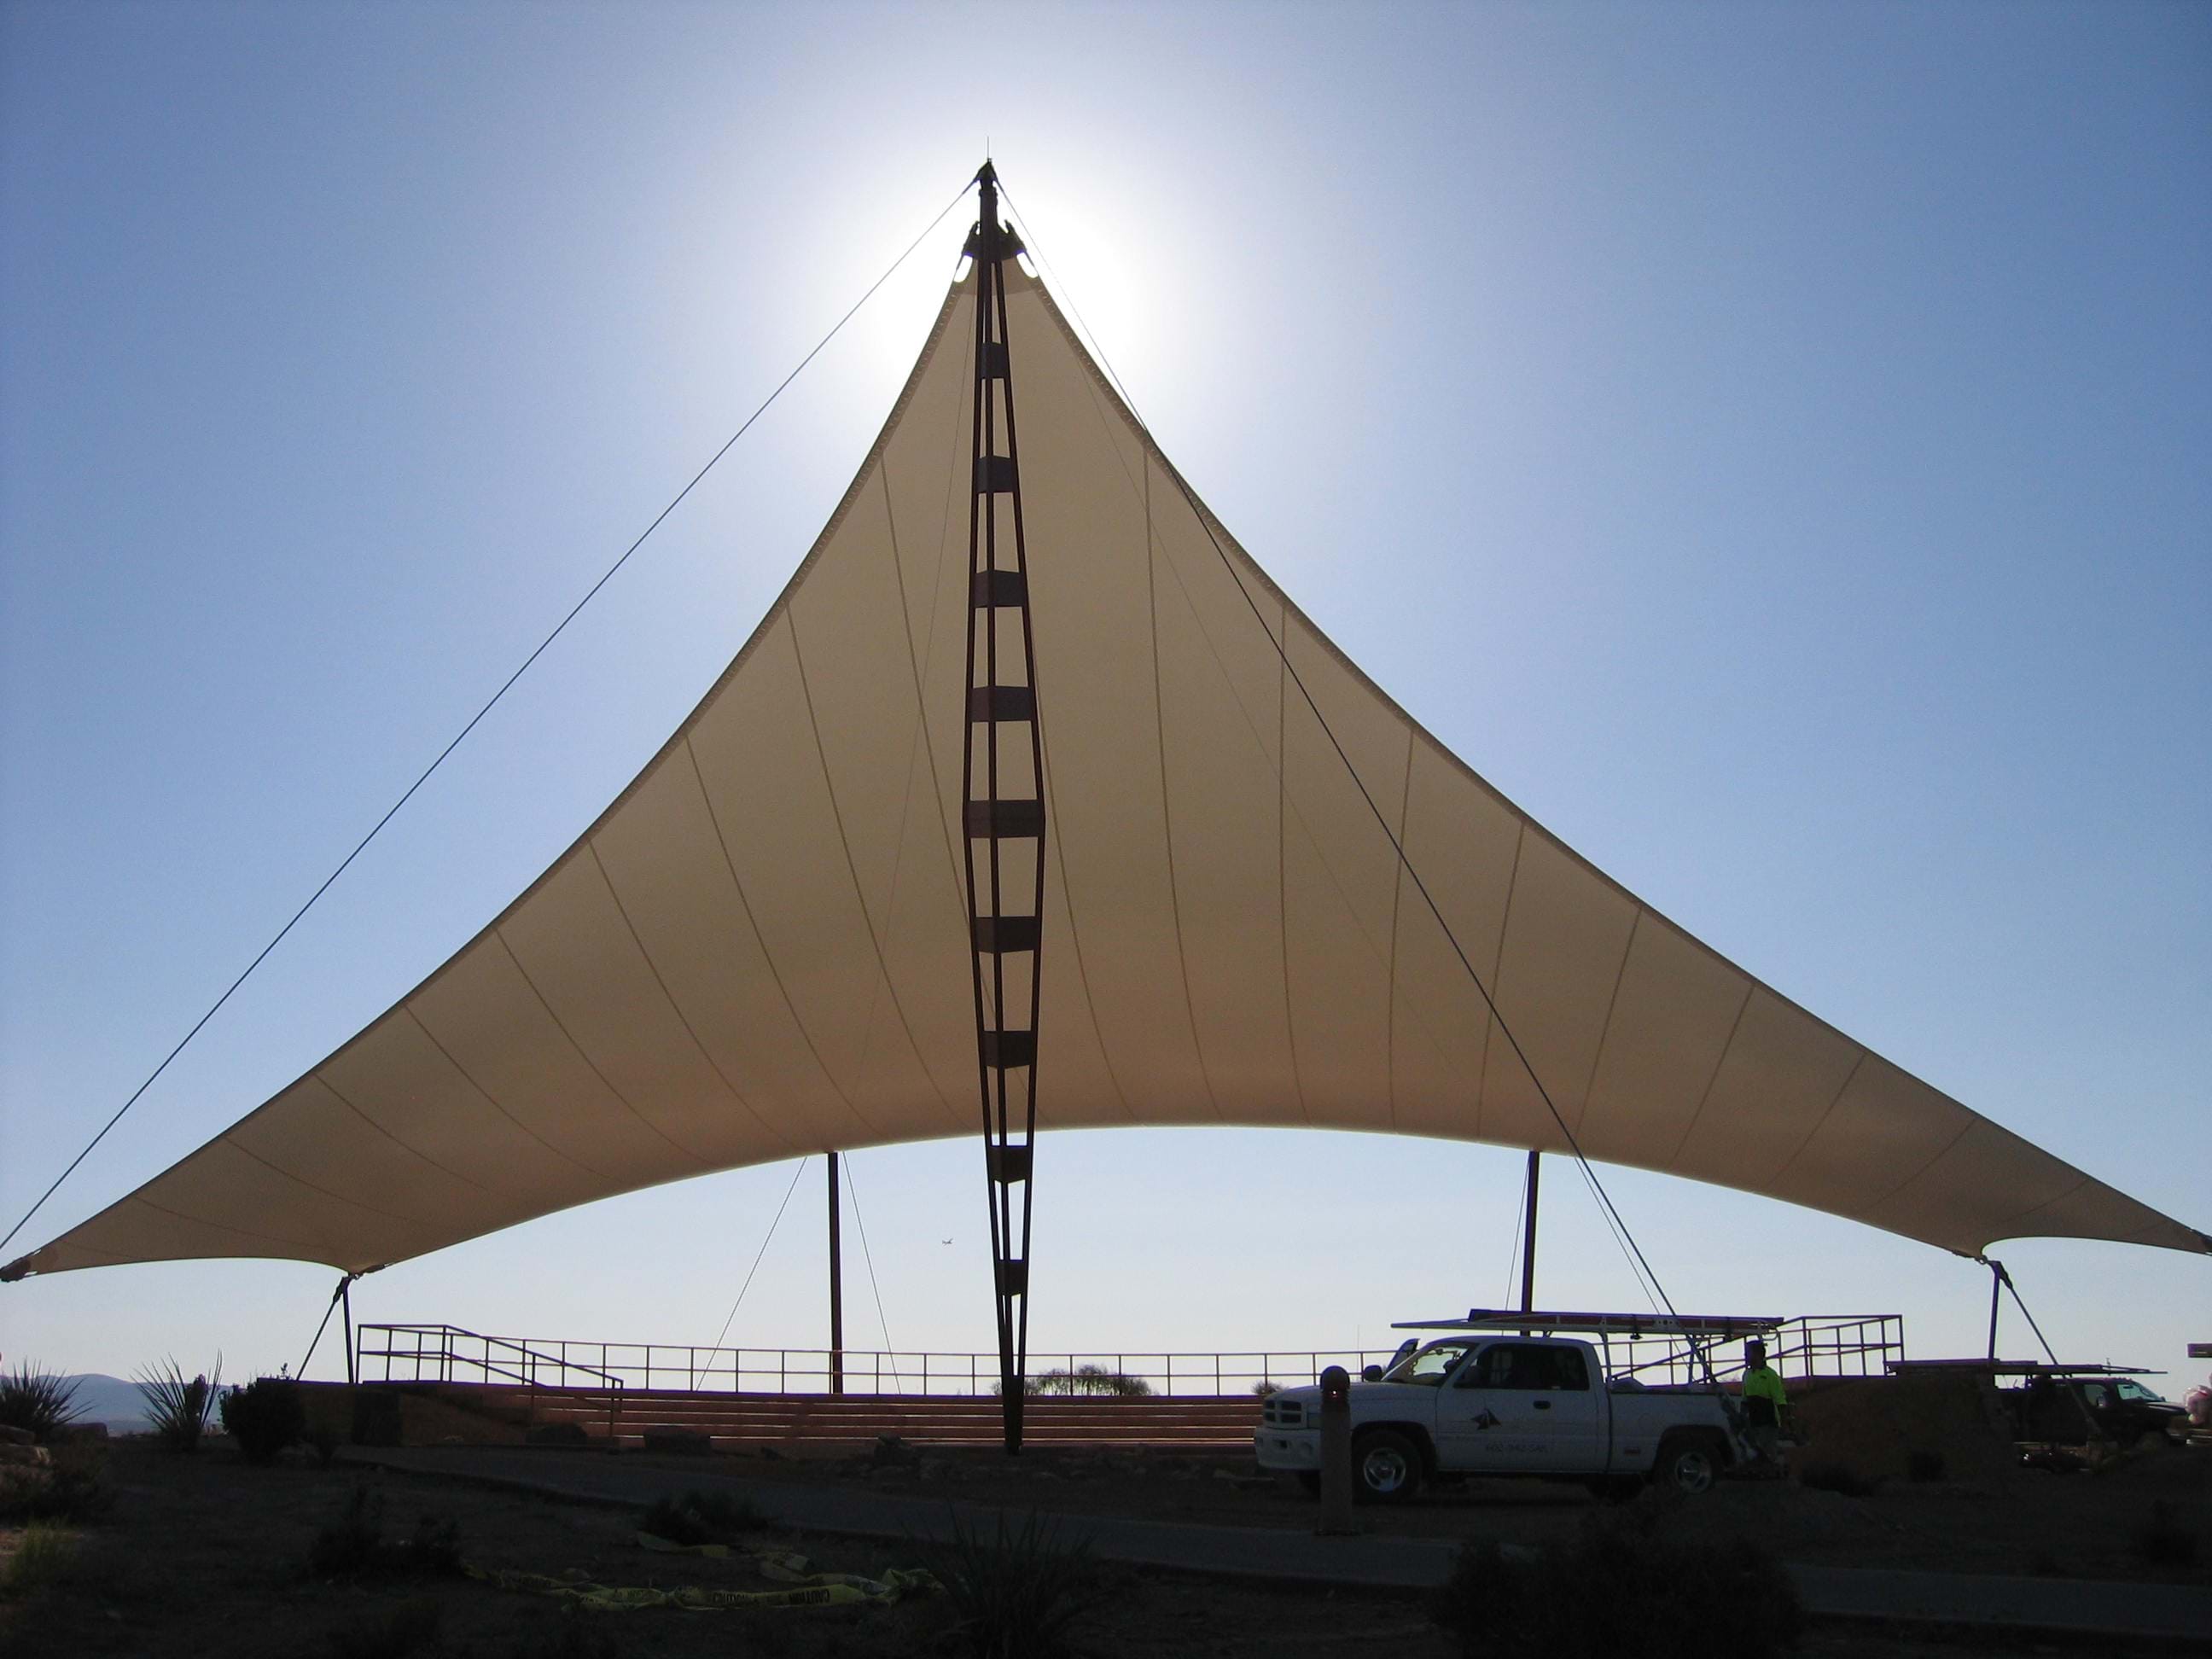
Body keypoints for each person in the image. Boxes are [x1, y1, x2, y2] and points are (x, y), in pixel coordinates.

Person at [1737, 1339, 1789, 1474]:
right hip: (1753, 1422)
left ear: (1758, 1354)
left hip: (1768, 1422)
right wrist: (1742, 1418)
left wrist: (1784, 1424)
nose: (1745, 1356)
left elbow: (1780, 1401)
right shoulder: (1746, 1374)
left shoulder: (1770, 1375)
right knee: (1754, 1454)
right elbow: (1744, 1399)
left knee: (1768, 1455)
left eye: (1748, 1353)